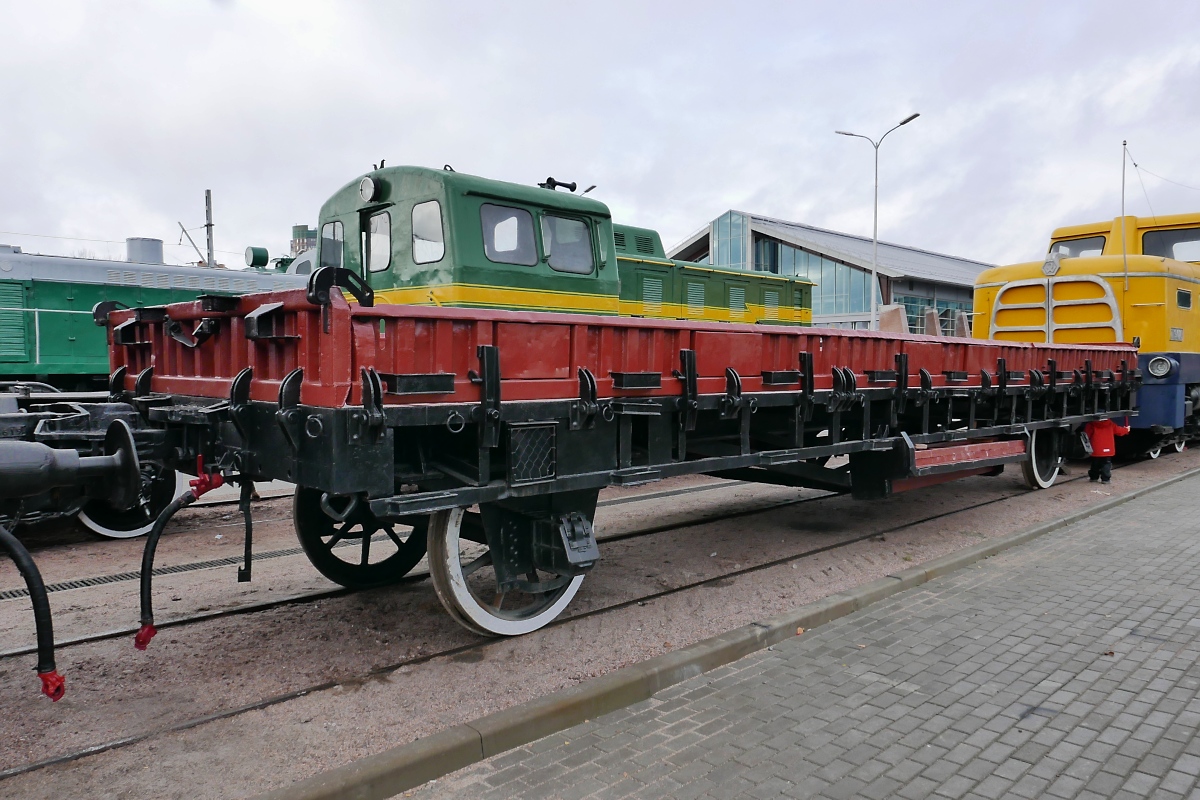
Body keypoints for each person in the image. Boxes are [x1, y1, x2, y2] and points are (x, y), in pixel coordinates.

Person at [1083, 416, 1129, 484]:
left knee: (1095, 464)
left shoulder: (1091, 424)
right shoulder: (1110, 423)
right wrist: (1126, 429)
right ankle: (1105, 479)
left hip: (1096, 448)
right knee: (1106, 464)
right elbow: (1119, 431)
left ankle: (1094, 477)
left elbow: (1086, 435)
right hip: (1108, 448)